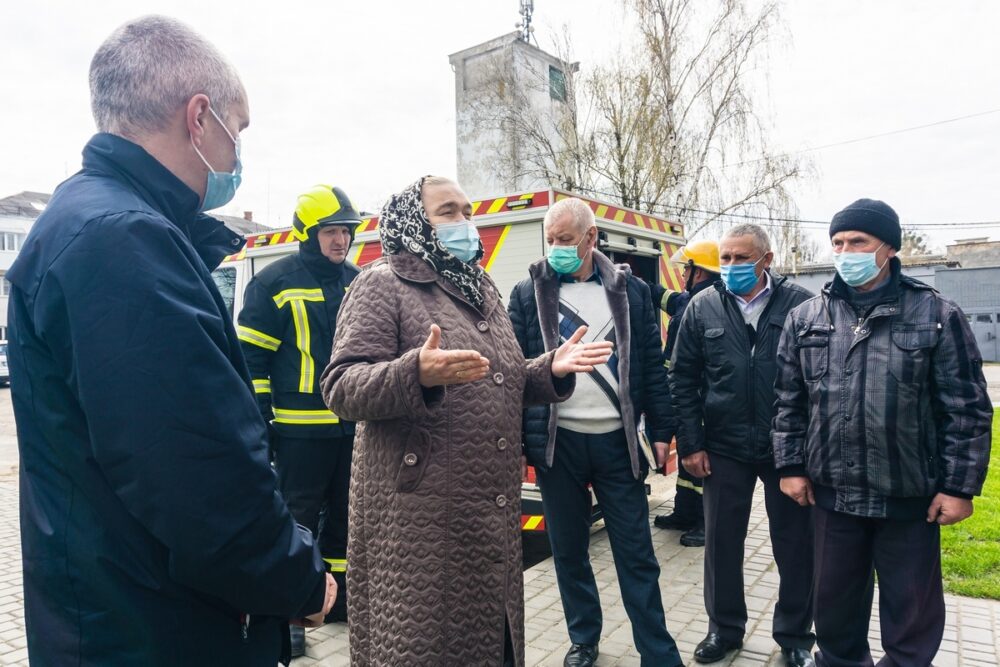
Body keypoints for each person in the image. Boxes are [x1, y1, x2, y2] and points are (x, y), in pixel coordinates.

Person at [6, 16, 334, 666]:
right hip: (155, 631)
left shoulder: (92, 223)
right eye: (238, 131)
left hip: (121, 617)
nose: (238, 156)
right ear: (199, 118)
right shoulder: (120, 241)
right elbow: (198, 473)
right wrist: (296, 576)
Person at [321, 176, 612, 667]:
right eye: (448, 212)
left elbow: (497, 377)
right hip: (418, 518)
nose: (464, 222)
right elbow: (341, 385)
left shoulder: (479, 286)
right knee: (423, 646)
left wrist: (548, 370)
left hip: (486, 509)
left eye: (467, 211)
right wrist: (413, 372)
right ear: (414, 220)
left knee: (489, 641)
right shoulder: (382, 283)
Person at [772, 199, 992, 667]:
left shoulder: (936, 314)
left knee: (911, 620)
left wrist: (958, 487)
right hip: (833, 497)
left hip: (907, 497)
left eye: (858, 242)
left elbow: (966, 408)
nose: (844, 252)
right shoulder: (807, 318)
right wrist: (790, 466)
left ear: (889, 248)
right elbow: (789, 402)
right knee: (834, 613)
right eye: (837, 243)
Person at [508, 197, 683, 667]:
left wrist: (663, 429)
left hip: (616, 444)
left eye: (565, 239)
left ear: (591, 238)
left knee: (636, 553)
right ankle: (583, 639)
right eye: (550, 239)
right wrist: (519, 442)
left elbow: (651, 364)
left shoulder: (631, 292)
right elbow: (514, 372)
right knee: (569, 551)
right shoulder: (527, 293)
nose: (555, 248)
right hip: (557, 444)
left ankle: (657, 651)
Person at [670, 224, 815, 666]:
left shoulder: (802, 305)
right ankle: (724, 629)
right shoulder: (703, 306)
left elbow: (817, 381)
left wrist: (806, 451)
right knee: (721, 543)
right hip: (723, 446)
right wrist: (691, 443)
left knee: (795, 544)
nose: (730, 266)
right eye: (725, 258)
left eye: (741, 258)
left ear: (766, 260)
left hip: (785, 448)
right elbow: (683, 378)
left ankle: (795, 636)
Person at [238, 184, 361, 655]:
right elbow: (252, 362)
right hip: (298, 432)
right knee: (297, 521)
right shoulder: (274, 283)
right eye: (330, 232)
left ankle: (339, 601)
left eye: (345, 231)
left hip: (351, 427)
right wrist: (261, 424)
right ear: (307, 234)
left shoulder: (356, 281)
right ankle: (293, 615)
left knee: (347, 520)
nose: (340, 240)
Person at [651, 239, 721, 548]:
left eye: (686, 269)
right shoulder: (689, 300)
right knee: (686, 462)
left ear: (699, 272)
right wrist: (628, 278)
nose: (682, 274)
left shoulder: (710, 306)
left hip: (703, 400)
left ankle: (708, 525)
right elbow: (663, 296)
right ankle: (685, 512)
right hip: (686, 398)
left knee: (704, 462)